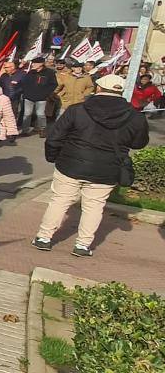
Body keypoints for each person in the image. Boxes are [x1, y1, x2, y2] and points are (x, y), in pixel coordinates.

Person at [33, 75, 148, 257]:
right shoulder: (134, 117)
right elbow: (139, 143)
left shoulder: (77, 110)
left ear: (98, 88)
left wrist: (53, 157)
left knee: (60, 200)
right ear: (121, 91)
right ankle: (83, 245)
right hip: (107, 169)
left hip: (71, 164)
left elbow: (55, 137)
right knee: (94, 206)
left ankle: (44, 238)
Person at [18, 56, 57, 136]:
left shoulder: (49, 72)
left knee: (40, 114)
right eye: (33, 63)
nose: (33, 64)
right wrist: (25, 92)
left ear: (41, 64)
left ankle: (42, 129)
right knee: (27, 114)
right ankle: (25, 130)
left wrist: (46, 93)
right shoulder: (31, 72)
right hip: (29, 97)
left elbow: (54, 84)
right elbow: (25, 83)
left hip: (41, 98)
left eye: (35, 63)